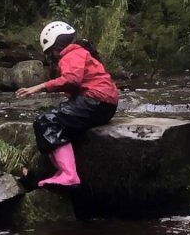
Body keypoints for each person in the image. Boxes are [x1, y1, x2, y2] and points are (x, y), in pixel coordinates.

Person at [16, 21, 119, 187]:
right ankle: (63, 171)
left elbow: (72, 79)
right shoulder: (81, 52)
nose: (52, 56)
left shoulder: (71, 54)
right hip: (104, 105)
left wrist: (40, 87)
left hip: (94, 101)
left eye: (50, 52)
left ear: (56, 45)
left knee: (46, 121)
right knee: (58, 120)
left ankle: (69, 174)